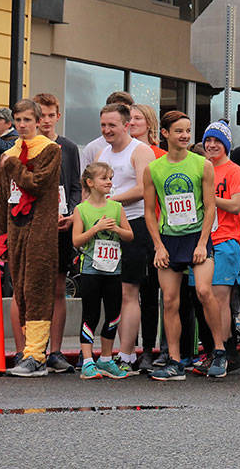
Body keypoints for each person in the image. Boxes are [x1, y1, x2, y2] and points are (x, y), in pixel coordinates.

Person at [142, 110, 228, 381]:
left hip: (197, 237)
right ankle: (176, 361)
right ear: (165, 133)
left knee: (204, 291)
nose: (185, 135)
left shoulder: (202, 165)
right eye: (179, 131)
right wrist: (158, 245)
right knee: (169, 300)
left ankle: (220, 351)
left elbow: (211, 206)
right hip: (169, 239)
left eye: (188, 131)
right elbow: (148, 211)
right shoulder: (153, 169)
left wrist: (203, 243)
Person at [0, 99, 62, 376]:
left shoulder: (50, 150)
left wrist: (11, 165)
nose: (22, 125)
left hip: (40, 228)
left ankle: (36, 355)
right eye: (18, 120)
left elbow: (36, 184)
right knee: (21, 288)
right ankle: (28, 351)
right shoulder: (10, 153)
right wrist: (0, 236)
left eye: (27, 120)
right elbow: (1, 198)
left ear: (38, 121)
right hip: (15, 227)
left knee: (37, 288)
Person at [96, 103, 156, 373]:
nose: (107, 130)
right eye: (103, 126)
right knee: (111, 291)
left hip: (134, 224)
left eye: (112, 125)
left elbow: (145, 188)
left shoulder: (141, 151)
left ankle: (127, 354)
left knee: (129, 291)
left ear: (126, 125)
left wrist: (110, 201)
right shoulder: (102, 152)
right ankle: (113, 353)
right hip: (106, 227)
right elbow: (93, 188)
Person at [32, 92, 83, 374]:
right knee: (31, 289)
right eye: (42, 116)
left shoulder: (69, 147)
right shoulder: (26, 146)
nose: (46, 121)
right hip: (35, 227)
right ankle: (32, 350)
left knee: (58, 288)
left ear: (58, 117)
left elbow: (75, 186)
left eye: (51, 115)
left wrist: (72, 212)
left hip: (62, 225)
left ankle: (55, 351)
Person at [190, 121, 240, 372]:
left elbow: (236, 205)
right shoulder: (200, 169)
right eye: (208, 141)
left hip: (226, 239)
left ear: (226, 144)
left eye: (217, 141)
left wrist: (210, 199)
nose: (212, 146)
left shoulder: (233, 171)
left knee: (221, 299)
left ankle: (227, 352)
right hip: (202, 241)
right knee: (204, 298)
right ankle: (215, 350)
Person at [71, 161, 135, 379]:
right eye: (104, 178)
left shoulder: (116, 208)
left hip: (113, 271)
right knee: (90, 313)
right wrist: (96, 228)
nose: (109, 182)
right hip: (90, 270)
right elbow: (76, 239)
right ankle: (88, 360)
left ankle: (106, 359)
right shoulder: (82, 210)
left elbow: (130, 235)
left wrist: (116, 228)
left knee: (113, 313)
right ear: (90, 183)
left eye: (110, 178)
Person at [80, 91, 135, 168]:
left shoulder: (138, 148)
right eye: (103, 125)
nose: (107, 130)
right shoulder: (93, 149)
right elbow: (85, 178)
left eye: (125, 110)